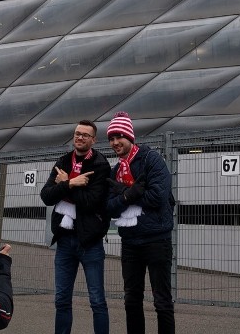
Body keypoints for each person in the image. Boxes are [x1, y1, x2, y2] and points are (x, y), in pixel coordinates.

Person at [105, 112, 176, 334]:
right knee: (131, 300)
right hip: (130, 243)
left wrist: (123, 193)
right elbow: (109, 207)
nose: (115, 142)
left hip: (156, 239)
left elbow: (158, 197)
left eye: (120, 137)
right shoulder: (115, 170)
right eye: (111, 138)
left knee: (162, 301)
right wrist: (130, 193)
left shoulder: (150, 159)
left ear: (130, 137)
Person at [40, 120, 111, 334]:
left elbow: (91, 202)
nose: (80, 138)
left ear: (93, 140)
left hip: (90, 242)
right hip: (64, 241)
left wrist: (63, 185)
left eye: (85, 135)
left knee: (97, 301)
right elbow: (46, 196)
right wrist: (71, 183)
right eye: (77, 134)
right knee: (61, 299)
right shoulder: (63, 161)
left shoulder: (100, 165)